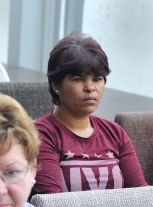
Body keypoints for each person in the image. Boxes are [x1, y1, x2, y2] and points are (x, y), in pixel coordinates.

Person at [33, 32, 146, 194]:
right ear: (56, 85)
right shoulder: (42, 134)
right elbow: (51, 204)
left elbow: (142, 195)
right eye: (78, 79)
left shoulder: (115, 133)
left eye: (97, 79)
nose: (90, 87)